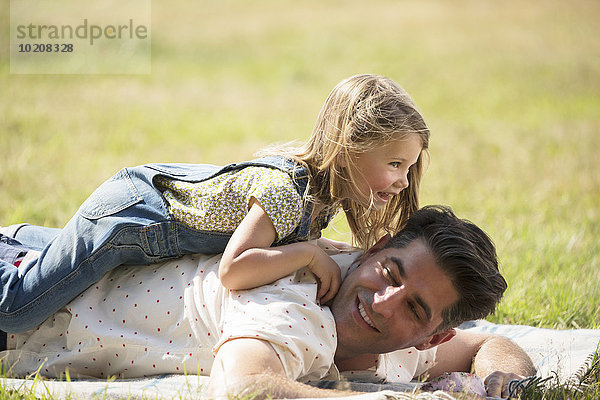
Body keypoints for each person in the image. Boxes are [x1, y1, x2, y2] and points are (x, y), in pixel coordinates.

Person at [0, 74, 430, 333]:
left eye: (408, 168)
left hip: (143, 223)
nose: (401, 180)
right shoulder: (287, 192)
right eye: (394, 163)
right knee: (18, 310)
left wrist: (325, 252)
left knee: (55, 262)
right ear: (352, 146)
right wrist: (306, 254)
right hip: (127, 222)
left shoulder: (324, 196)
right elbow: (234, 271)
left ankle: (11, 241)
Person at [0, 206, 535, 398]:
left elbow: (489, 343)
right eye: (388, 272)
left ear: (433, 336)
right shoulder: (298, 302)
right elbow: (243, 389)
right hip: (19, 293)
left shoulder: (398, 345)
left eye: (416, 309)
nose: (383, 300)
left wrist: (503, 388)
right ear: (373, 249)